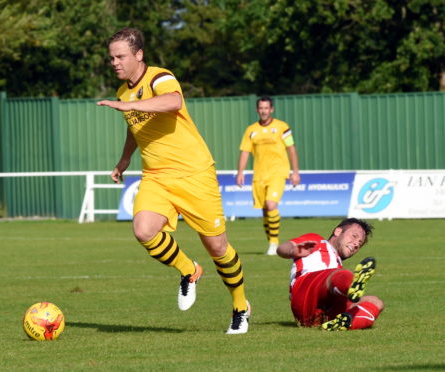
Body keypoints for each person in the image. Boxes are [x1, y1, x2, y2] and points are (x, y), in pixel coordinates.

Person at [96, 27, 250, 334]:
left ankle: (240, 306)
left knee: (218, 247)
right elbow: (135, 127)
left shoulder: (158, 77)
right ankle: (189, 270)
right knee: (143, 230)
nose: (114, 62)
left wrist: (129, 106)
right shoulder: (123, 92)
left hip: (194, 173)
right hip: (156, 176)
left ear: (138, 55)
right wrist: (125, 159)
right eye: (111, 57)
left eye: (121, 56)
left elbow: (173, 101)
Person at [276, 218, 384, 331]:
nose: (357, 244)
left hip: (324, 313)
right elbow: (281, 249)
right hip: (306, 295)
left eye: (360, 243)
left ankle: (345, 322)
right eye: (354, 236)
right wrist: (292, 250)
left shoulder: (337, 264)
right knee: (339, 275)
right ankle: (350, 286)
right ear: (338, 231)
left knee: (375, 302)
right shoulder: (317, 241)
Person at [236, 96, 301, 256]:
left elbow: (291, 149)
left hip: (278, 173)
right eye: (261, 108)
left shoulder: (282, 127)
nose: (263, 111)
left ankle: (274, 243)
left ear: (271, 109)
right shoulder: (251, 130)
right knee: (265, 210)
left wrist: (295, 172)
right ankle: (270, 241)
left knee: (271, 204)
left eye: (266, 108)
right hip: (259, 175)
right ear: (257, 110)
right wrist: (240, 172)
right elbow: (245, 152)